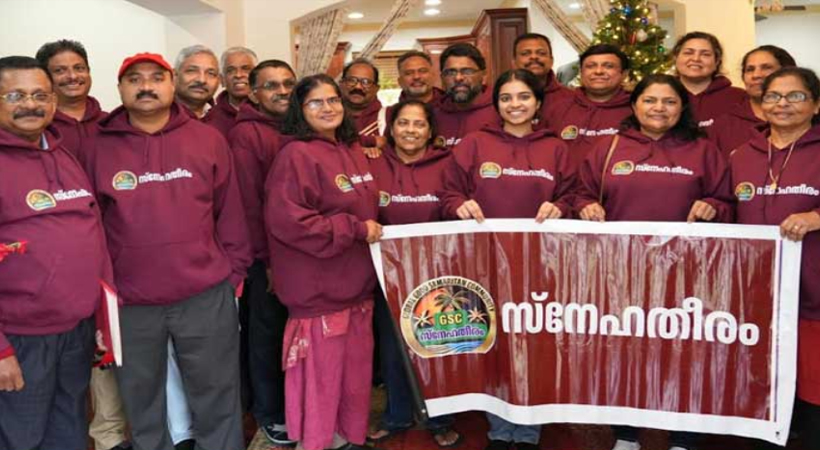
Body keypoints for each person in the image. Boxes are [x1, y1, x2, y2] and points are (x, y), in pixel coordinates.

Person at [80, 52, 251, 450]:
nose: (146, 86)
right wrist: (103, 293)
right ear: (120, 88)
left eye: (156, 78)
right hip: (131, 302)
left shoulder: (207, 139)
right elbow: (91, 226)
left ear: (171, 84)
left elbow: (230, 212)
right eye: (134, 79)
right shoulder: (96, 147)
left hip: (205, 295)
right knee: (141, 402)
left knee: (217, 396)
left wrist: (233, 276)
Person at [575, 74, 733, 450]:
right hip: (621, 272)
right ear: (634, 106)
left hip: (687, 274)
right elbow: (580, 194)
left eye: (669, 101)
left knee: (686, 353)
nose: (659, 108)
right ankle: (627, 433)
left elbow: (727, 201)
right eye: (650, 100)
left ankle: (684, 436)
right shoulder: (609, 148)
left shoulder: (703, 150)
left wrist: (713, 206)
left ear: (682, 108)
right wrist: (586, 206)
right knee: (625, 352)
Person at [439, 69, 575, 450]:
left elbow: (572, 195)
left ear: (538, 102)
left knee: (534, 345)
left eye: (524, 97)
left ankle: (529, 429)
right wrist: (458, 205)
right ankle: (499, 428)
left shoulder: (556, 148)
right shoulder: (474, 144)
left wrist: (562, 207)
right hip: (484, 263)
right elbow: (448, 194)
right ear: (496, 104)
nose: (515, 104)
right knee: (493, 343)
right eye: (506, 98)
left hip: (540, 265)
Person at [264, 74, 383, 450]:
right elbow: (290, 222)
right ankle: (315, 442)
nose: (328, 108)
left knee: (353, 377)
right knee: (322, 378)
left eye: (333, 100)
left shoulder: (351, 149)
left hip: (356, 288)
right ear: (300, 110)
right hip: (319, 291)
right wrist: (354, 228)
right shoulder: (295, 155)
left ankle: (344, 439)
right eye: (316, 102)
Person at [0, 55, 111, 450]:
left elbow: (93, 235)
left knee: (69, 432)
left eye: (40, 95)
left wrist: (103, 319)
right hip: (20, 339)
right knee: (20, 438)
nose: (30, 104)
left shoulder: (63, 156)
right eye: (15, 95)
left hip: (75, 332)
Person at [730, 66, 820, 450]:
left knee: (814, 392)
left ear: (815, 104)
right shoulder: (741, 154)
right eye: (773, 96)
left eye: (795, 96)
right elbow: (727, 208)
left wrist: (817, 217)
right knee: (765, 388)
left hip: (813, 294)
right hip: (757, 297)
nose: (783, 104)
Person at [367, 100, 461, 448]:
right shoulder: (371, 163)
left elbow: (456, 203)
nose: (410, 130)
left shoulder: (449, 163)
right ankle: (397, 414)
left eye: (419, 124)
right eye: (403, 123)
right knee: (393, 349)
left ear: (431, 131)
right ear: (391, 129)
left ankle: (440, 418)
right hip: (387, 274)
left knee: (437, 346)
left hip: (436, 273)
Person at [228, 58, 297, 447]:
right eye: (271, 85)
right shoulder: (247, 134)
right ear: (253, 94)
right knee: (267, 335)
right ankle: (270, 412)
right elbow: (250, 205)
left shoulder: (299, 126)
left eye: (288, 83)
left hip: (300, 255)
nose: (282, 91)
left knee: (294, 333)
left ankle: (297, 404)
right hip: (267, 258)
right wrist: (268, 261)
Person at [550, 44, 632, 166]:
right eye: (590, 66)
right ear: (581, 72)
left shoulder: (636, 111)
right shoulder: (559, 108)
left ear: (624, 74)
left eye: (608, 66)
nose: (598, 71)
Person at [711, 45, 796, 156]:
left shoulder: (804, 120)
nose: (756, 75)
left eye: (766, 67)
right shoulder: (724, 126)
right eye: (750, 69)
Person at [35, 39, 107, 159]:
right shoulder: (36, 126)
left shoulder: (110, 124)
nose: (73, 76)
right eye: (60, 70)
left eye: (79, 68)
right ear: (44, 77)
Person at [672, 31, 746, 130]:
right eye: (688, 53)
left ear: (717, 61)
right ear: (676, 58)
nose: (696, 59)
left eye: (705, 54)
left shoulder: (739, 98)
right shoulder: (661, 97)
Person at [431, 43, 499, 148]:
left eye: (467, 71)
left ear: (483, 74)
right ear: (442, 77)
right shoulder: (433, 114)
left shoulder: (500, 110)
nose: (458, 78)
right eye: (451, 72)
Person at [511, 32, 574, 129]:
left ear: (551, 60)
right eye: (525, 53)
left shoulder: (571, 99)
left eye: (541, 53)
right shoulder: (501, 98)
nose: (534, 57)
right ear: (514, 62)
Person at [205, 46, 258, 137]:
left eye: (245, 69)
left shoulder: (271, 113)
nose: (238, 75)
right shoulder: (210, 120)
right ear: (222, 79)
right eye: (230, 71)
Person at [341, 58, 383, 147]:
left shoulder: (386, 118)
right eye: (351, 80)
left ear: (376, 88)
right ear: (341, 84)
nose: (358, 87)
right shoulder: (328, 116)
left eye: (366, 82)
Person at [174, 45, 221, 119]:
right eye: (192, 71)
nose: (202, 80)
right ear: (174, 75)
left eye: (210, 73)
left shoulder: (224, 120)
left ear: (219, 80)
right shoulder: (159, 117)